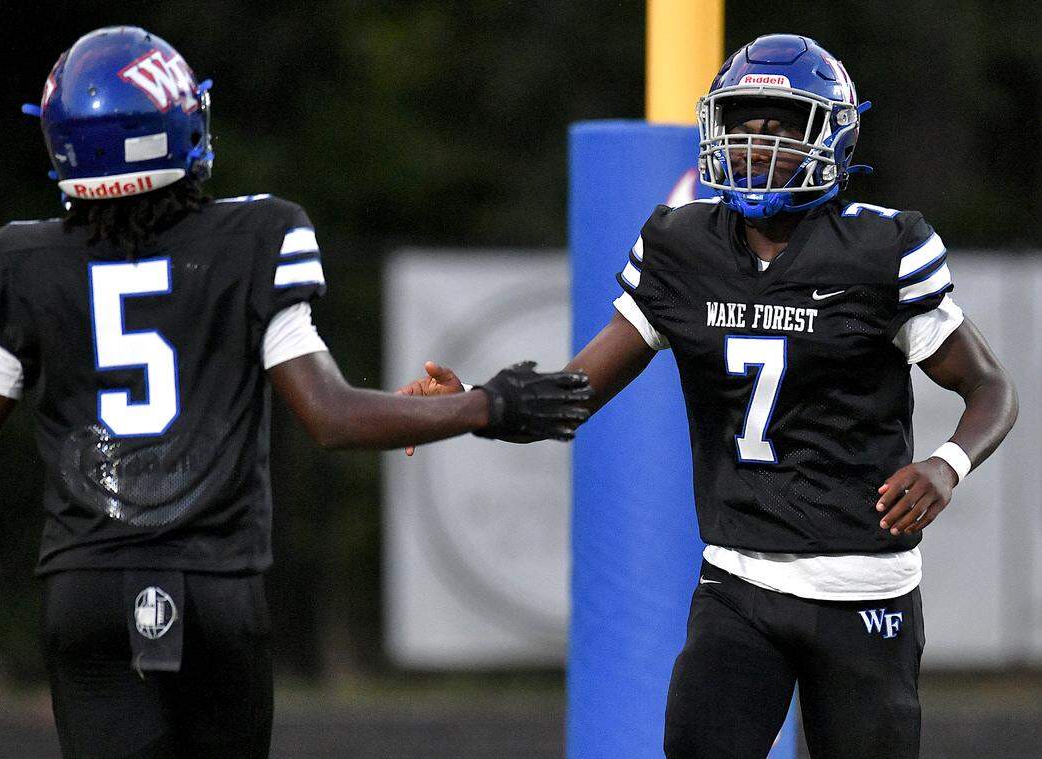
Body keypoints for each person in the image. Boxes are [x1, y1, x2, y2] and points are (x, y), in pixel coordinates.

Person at [0, 26, 591, 759]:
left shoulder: (20, 262)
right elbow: (330, 415)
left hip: (88, 589)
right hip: (215, 589)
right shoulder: (254, 236)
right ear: (180, 124)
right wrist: (486, 403)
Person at [398, 34, 1018, 758]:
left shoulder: (883, 251)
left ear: (835, 135)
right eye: (745, 123)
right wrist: (466, 402)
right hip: (736, 579)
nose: (758, 143)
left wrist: (947, 464)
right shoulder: (682, 244)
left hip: (863, 585)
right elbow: (577, 391)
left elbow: (990, 386)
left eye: (782, 126)